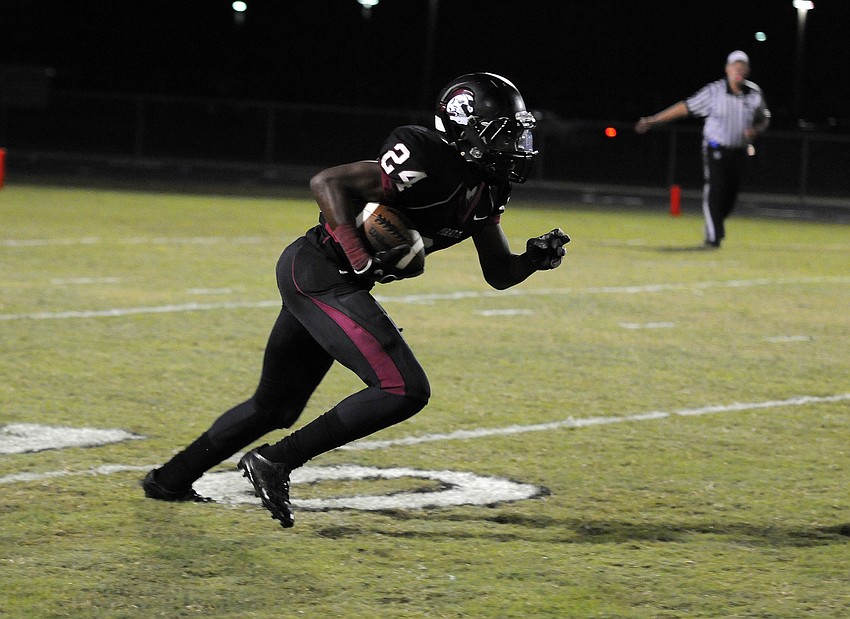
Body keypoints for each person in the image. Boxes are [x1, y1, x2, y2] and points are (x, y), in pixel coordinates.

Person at [141, 72, 570, 528]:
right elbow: (329, 182)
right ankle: (276, 461)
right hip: (318, 271)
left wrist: (532, 260)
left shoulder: (487, 187)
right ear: (465, 127)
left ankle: (169, 480)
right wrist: (356, 252)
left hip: (334, 284)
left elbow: (498, 272)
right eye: (503, 133)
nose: (515, 144)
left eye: (516, 133)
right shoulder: (426, 156)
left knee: (275, 407)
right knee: (402, 389)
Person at [635, 50, 771, 248]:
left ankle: (715, 225)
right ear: (727, 69)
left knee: (730, 195)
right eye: (735, 66)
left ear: (748, 71)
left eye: (742, 67)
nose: (738, 70)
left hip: (739, 152)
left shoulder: (754, 93)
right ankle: (712, 237)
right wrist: (653, 120)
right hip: (715, 149)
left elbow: (764, 118)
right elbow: (685, 107)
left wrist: (756, 130)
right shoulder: (714, 91)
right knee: (715, 189)